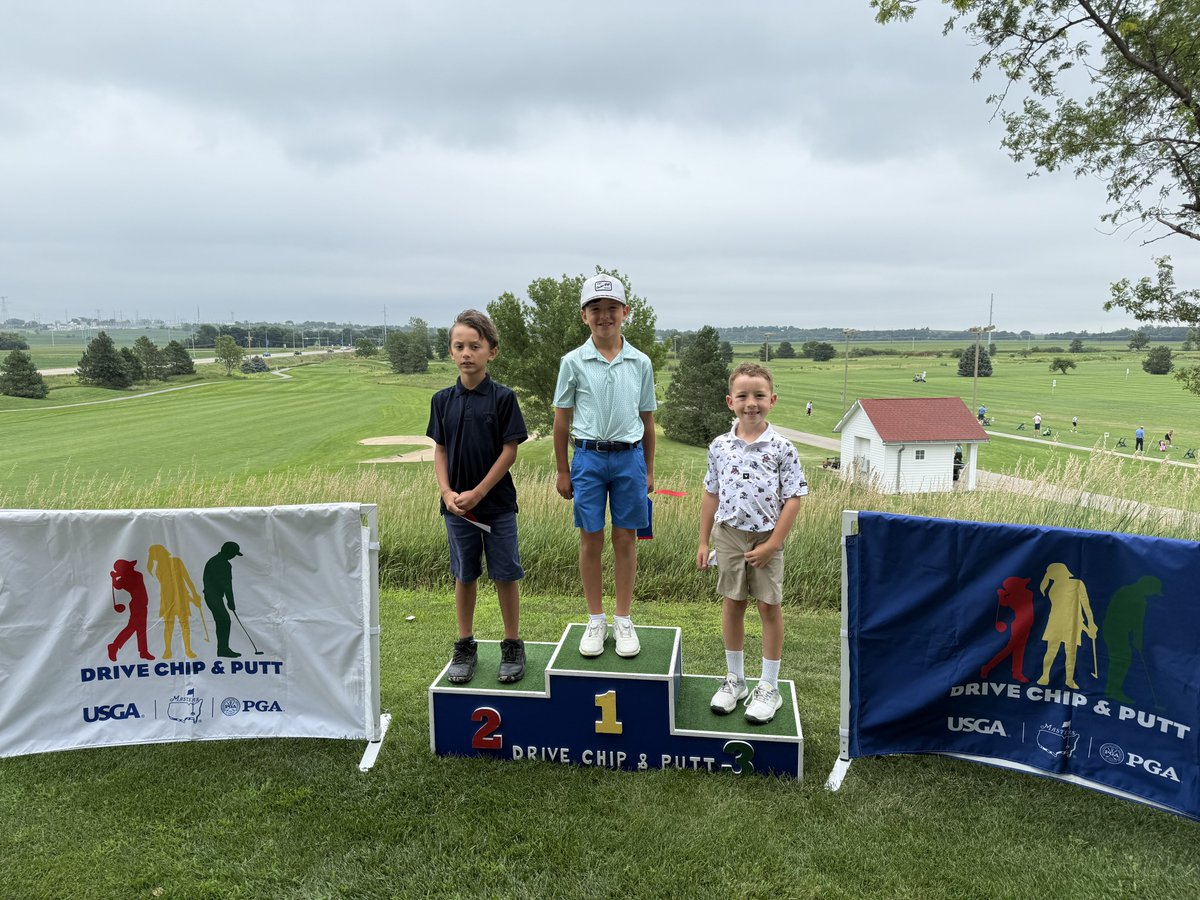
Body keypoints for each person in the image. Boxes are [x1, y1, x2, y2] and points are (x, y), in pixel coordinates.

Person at [697, 363, 807, 725]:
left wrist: (774, 544)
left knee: (769, 608)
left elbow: (793, 498)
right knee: (733, 604)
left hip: (766, 538)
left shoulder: (783, 448)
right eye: (743, 396)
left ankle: (769, 687)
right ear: (730, 401)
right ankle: (736, 681)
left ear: (772, 400)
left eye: (759, 395)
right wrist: (703, 541)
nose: (751, 403)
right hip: (728, 535)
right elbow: (711, 493)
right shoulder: (720, 446)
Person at [554, 273, 657, 659]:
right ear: (584, 316)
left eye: (612, 308)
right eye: (595, 309)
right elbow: (561, 421)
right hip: (588, 458)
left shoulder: (640, 362)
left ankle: (623, 618)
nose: (604, 316)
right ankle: (595, 619)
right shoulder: (572, 362)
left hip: (629, 457)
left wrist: (648, 468)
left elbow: (647, 422)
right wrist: (563, 470)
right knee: (590, 538)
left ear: (625, 312)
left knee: (626, 538)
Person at [428, 309, 528, 684]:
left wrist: (480, 491)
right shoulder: (442, 400)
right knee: (464, 574)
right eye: (459, 346)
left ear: (492, 352)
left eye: (475, 346)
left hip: (497, 505)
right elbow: (440, 449)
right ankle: (466, 645)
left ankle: (512, 645)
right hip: (457, 509)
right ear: (451, 353)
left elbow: (509, 451)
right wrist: (447, 492)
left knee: (505, 574)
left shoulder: (503, 398)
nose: (467, 352)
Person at [1036, 562, 1097, 690]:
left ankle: (1069, 679)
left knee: (1070, 652)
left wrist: (1091, 623)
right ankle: (1045, 676)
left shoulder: (1077, 583)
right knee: (1051, 650)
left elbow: (1086, 606)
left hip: (1072, 622)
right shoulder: (1053, 586)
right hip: (1055, 621)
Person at [147, 543, 204, 660]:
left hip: (182, 598)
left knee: (185, 624)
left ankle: (188, 650)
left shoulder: (176, 561)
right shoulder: (158, 568)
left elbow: (187, 579)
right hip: (167, 599)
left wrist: (194, 594)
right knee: (169, 625)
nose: (156, 558)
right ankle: (168, 650)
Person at [108, 559, 155, 662]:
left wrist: (115, 577)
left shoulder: (135, 575)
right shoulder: (129, 577)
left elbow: (118, 585)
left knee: (140, 629)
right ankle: (115, 646)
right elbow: (118, 585)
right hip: (137, 606)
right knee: (133, 628)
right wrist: (116, 577)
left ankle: (142, 651)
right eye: (130, 566)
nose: (133, 567)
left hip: (141, 605)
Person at [203, 541, 244, 658]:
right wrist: (231, 602)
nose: (234, 556)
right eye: (234, 553)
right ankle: (223, 650)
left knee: (223, 621)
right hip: (213, 596)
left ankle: (223, 649)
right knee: (224, 620)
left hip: (213, 596)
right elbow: (226, 585)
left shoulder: (214, 560)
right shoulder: (223, 564)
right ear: (228, 551)